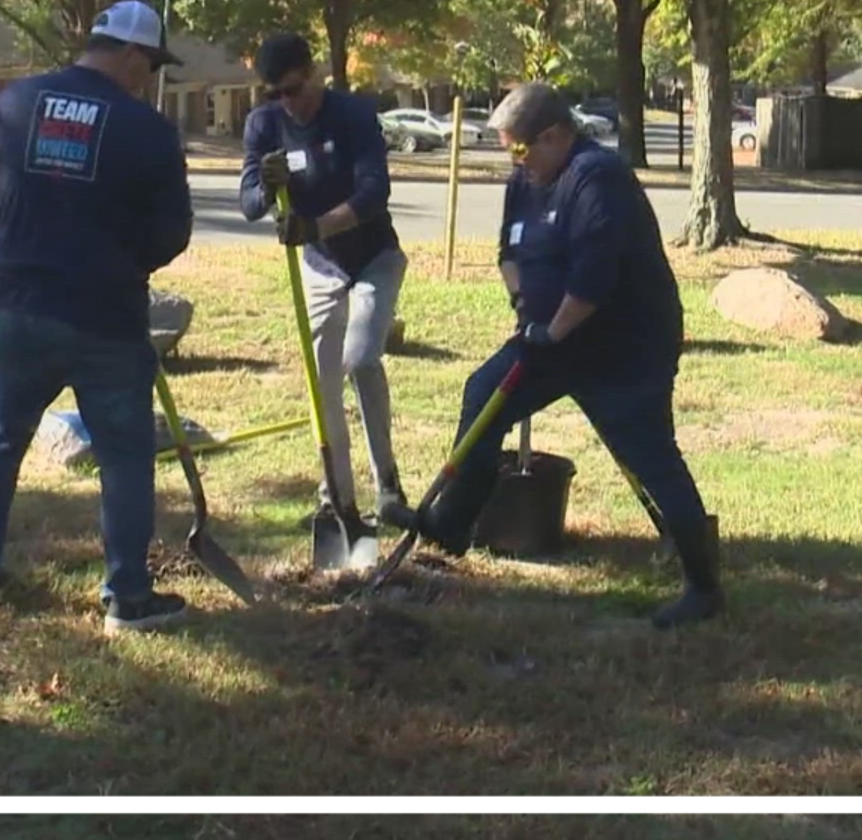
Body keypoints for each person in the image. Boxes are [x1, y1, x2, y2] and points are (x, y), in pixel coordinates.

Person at [381, 81, 724, 628]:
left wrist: (554, 328)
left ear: (557, 134)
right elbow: (509, 251)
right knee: (483, 394)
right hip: (551, 337)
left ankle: (702, 587)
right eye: (507, 149)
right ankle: (454, 522)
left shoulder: (596, 177)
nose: (514, 161)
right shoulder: (526, 178)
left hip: (625, 345)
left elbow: (595, 275)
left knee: (650, 454)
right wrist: (524, 307)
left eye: (519, 147)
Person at [0, 0, 195, 636]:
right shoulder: (149, 130)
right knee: (125, 455)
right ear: (131, 54)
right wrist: (123, 252)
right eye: (151, 64)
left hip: (21, 306)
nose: (150, 77)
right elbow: (172, 235)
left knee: (0, 440)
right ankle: (128, 599)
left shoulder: (16, 100)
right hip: (106, 317)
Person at [238, 33, 409, 526]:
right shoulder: (264, 124)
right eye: (274, 94)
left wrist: (316, 225)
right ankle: (338, 496)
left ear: (313, 74)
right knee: (323, 379)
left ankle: (389, 487)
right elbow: (249, 204)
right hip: (318, 265)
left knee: (361, 359)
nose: (285, 104)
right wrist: (267, 188)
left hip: (374, 257)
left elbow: (375, 191)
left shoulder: (352, 114)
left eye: (292, 90)